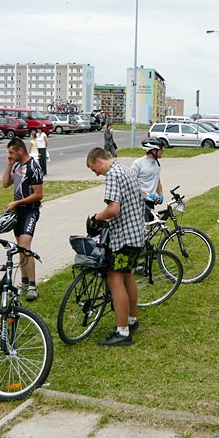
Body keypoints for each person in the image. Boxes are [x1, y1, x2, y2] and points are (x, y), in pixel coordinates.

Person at [86, 147, 145, 346]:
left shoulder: (112, 175)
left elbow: (113, 209)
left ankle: (123, 333)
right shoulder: (126, 169)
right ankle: (131, 320)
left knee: (115, 279)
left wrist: (95, 217)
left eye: (95, 169)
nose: (96, 173)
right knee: (127, 276)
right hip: (136, 235)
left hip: (124, 238)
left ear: (100, 161)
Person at [2, 137, 43, 301]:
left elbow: (39, 194)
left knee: (26, 245)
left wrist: (17, 202)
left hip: (30, 211)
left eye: (12, 152)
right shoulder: (17, 165)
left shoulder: (34, 167)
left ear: (20, 150)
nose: (10, 155)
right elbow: (5, 184)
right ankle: (24, 282)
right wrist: (9, 164)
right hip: (17, 211)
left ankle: (33, 285)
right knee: (20, 246)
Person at [130, 137, 164, 220]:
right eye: (160, 149)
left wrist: (160, 194)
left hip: (150, 203)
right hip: (138, 203)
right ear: (153, 150)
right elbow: (130, 184)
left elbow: (157, 181)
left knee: (150, 228)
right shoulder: (138, 163)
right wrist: (146, 195)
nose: (162, 151)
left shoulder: (157, 164)